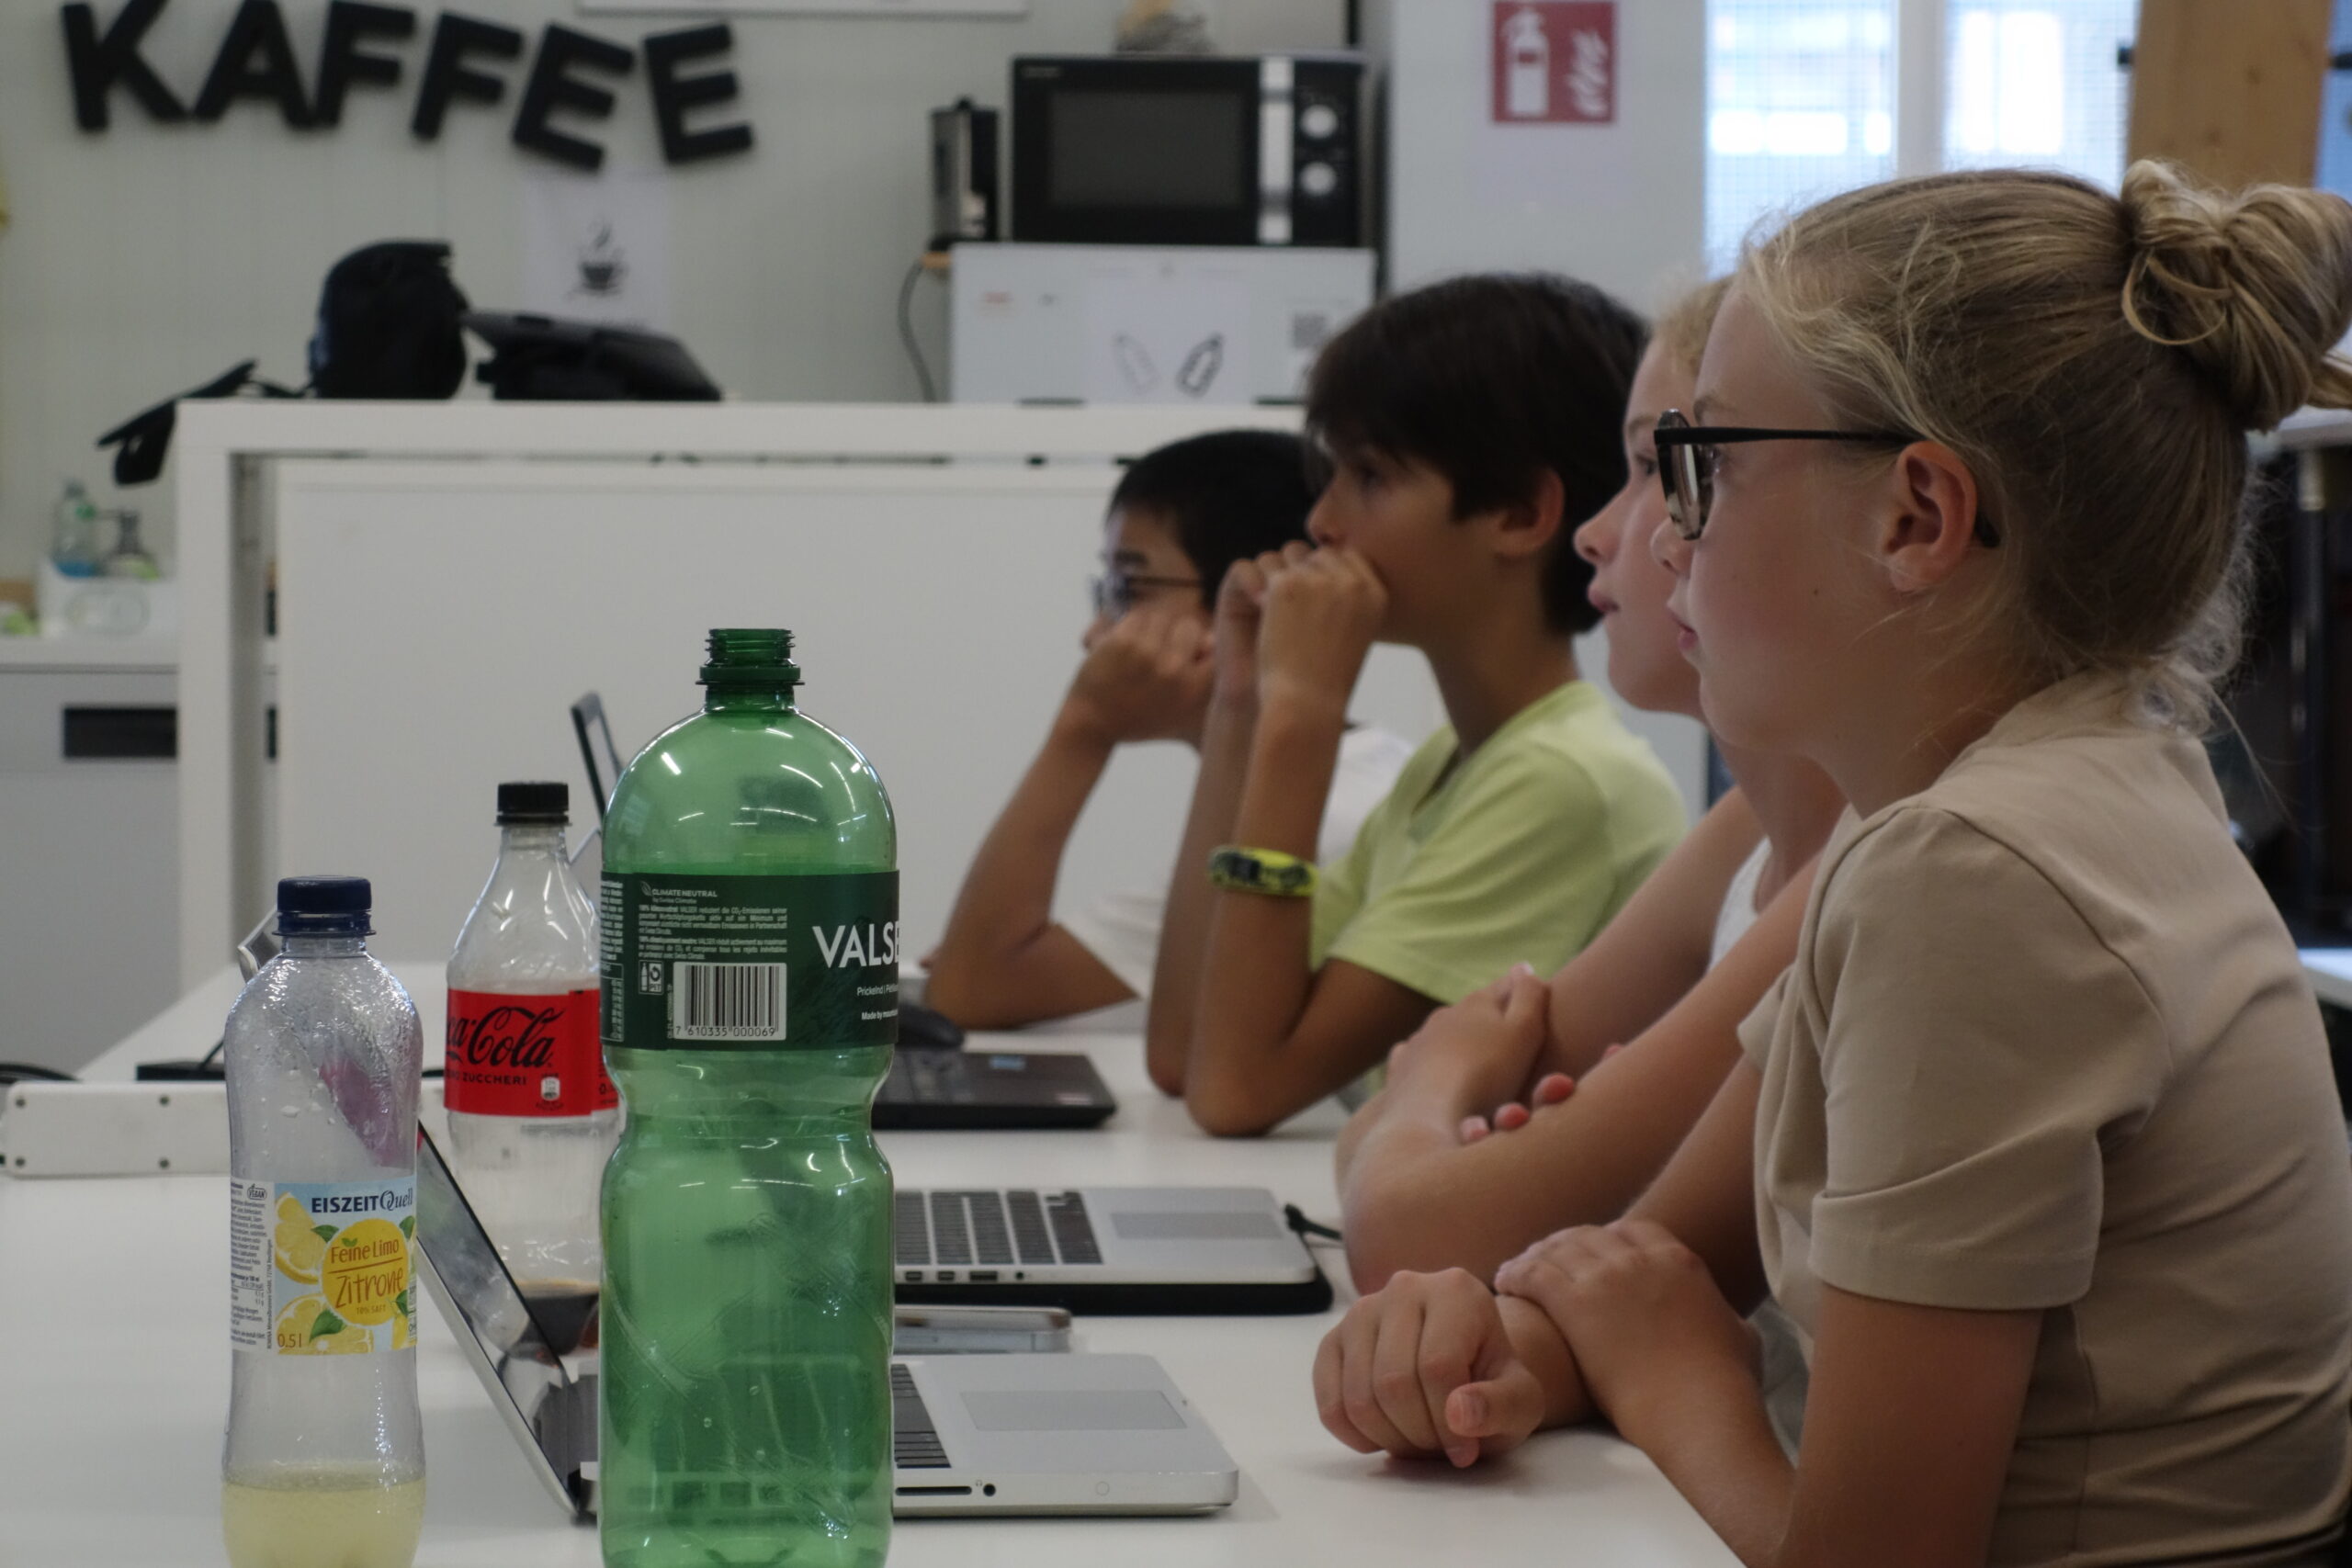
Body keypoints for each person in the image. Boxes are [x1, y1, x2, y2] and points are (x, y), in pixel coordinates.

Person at [1312, 163, 2352, 1565]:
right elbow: (1655, 1262)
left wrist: (1676, 1371)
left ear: (1916, 516)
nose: (1663, 533)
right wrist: (1483, 1347)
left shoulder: (1977, 871)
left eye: (1704, 465)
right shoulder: (1978, 808)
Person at [1333, 278, 1845, 1308]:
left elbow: (1410, 1226)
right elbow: (1374, 1157)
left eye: (1663, 470)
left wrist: (1437, 1080)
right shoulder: (1748, 828)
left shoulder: (1873, 859)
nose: (1605, 533)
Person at [1148, 274, 1688, 1136]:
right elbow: (1183, 1049)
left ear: (1518, 513)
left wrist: (1302, 709)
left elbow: (1236, 1090)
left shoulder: (1560, 782)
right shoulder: (1457, 761)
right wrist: (1240, 707)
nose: (1321, 521)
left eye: (1369, 475)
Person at [923, 429, 1412, 1030]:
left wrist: (1083, 729)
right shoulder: (1350, 774)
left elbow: (969, 990)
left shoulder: (1330, 810)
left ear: (1254, 597)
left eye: (1129, 589)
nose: (1096, 634)